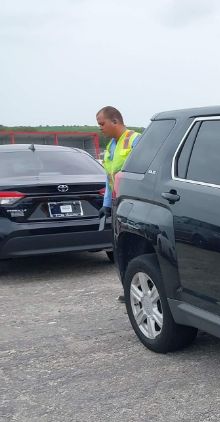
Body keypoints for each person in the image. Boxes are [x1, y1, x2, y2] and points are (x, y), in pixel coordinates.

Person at [96, 106, 139, 301]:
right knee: (119, 248)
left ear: (115, 121)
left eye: (102, 124)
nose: (100, 128)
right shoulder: (111, 147)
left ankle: (136, 288)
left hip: (133, 202)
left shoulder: (135, 140)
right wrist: (106, 203)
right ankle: (128, 289)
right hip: (116, 202)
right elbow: (108, 177)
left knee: (135, 247)